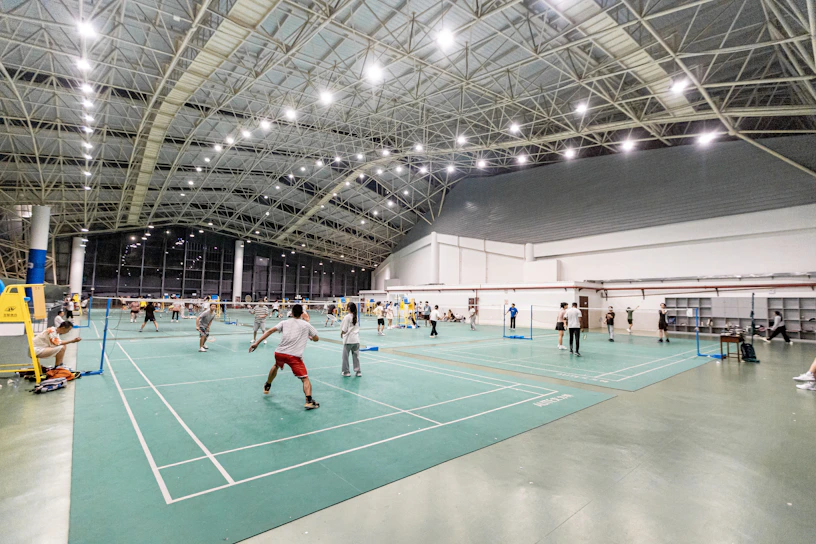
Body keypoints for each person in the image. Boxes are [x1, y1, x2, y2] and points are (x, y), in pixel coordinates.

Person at [250, 304, 320, 410]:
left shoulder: (284, 322)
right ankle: (309, 401)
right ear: (302, 314)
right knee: (305, 379)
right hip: (294, 356)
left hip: (279, 353)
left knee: (276, 365)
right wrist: (310, 336)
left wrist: (256, 343)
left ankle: (267, 385)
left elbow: (269, 331)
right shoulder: (306, 325)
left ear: (291, 313)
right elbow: (316, 339)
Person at [340, 302, 361, 377]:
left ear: (348, 308)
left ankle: (346, 372)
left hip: (348, 340)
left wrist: (341, 333)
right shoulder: (356, 316)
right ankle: (358, 371)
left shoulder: (347, 317)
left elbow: (345, 329)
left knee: (345, 357)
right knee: (356, 357)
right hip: (356, 340)